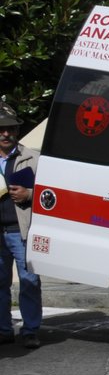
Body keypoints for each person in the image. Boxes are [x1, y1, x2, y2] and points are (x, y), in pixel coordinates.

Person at [0, 101, 42, 350]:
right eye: (1, 129)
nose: (6, 134)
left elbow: (50, 195)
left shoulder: (32, 158)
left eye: (11, 129)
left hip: (21, 230)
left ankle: (30, 330)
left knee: (30, 281)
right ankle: (4, 329)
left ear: (17, 131)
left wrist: (29, 195)